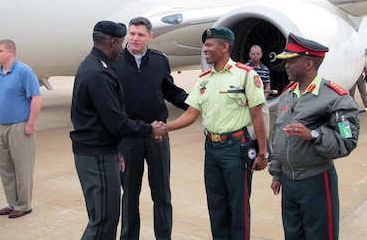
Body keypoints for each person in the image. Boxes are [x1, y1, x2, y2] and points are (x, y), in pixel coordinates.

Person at [166, 27, 268, 239]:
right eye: (204, 45)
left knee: (238, 207)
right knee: (217, 205)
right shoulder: (204, 79)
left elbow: (258, 115)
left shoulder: (245, 75)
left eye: (209, 45)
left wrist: (262, 152)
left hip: (236, 149)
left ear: (225, 47)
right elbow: (191, 114)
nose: (205, 49)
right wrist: (164, 127)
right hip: (212, 150)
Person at [70, 20, 167, 240]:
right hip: (97, 156)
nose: (124, 45)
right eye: (123, 40)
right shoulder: (99, 73)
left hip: (101, 150)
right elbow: (117, 122)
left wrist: (116, 150)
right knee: (103, 221)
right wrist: (149, 129)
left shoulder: (92, 64)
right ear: (113, 42)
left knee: (105, 217)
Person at [268, 33, 359, 240]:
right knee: (293, 234)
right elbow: (279, 136)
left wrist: (314, 134)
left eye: (291, 60)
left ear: (309, 63)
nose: (286, 66)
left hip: (315, 181)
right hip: (289, 183)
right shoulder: (289, 93)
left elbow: (347, 140)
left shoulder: (335, 98)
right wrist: (277, 173)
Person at [115, 17, 188, 240]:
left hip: (157, 136)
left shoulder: (159, 61)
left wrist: (197, 102)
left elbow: (170, 90)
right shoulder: (115, 61)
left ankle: (164, 237)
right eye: (132, 34)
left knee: (162, 194)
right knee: (129, 195)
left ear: (150, 36)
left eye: (141, 34)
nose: (135, 38)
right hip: (128, 138)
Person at [0, 39, 42, 219]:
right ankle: (12, 202)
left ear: (10, 52)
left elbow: (36, 97)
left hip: (19, 127)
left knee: (23, 167)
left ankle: (24, 204)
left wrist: (31, 123)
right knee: (5, 167)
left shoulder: (24, 71)